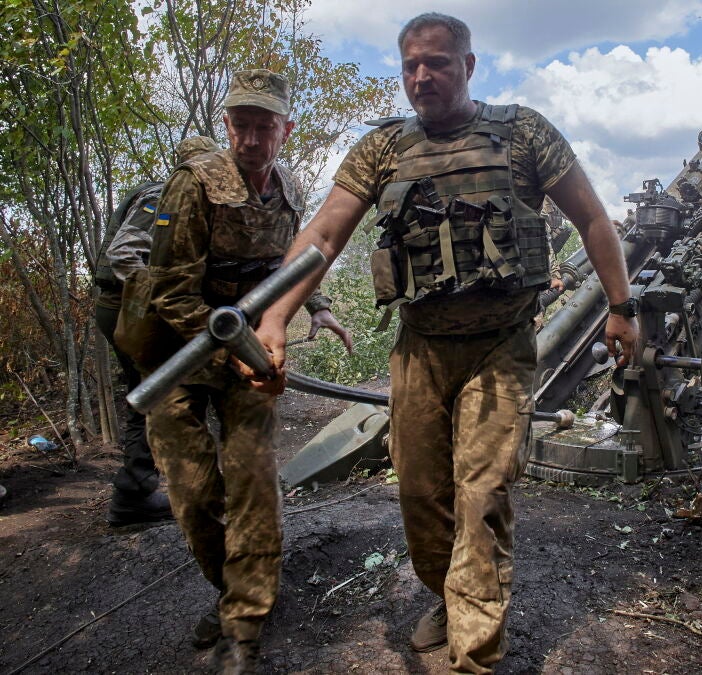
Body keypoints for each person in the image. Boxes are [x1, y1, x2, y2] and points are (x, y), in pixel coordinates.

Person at [252, 13, 639, 673]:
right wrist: (274, 316)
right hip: (421, 348)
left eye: (436, 62)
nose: (422, 77)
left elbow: (593, 217)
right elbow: (324, 234)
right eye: (410, 65)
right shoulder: (382, 149)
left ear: (469, 66)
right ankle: (449, 593)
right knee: (421, 495)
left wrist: (622, 307)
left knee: (481, 495)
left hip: (500, 346)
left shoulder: (524, 132)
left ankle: (473, 653)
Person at [144, 70, 350, 673]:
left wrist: (318, 306)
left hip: (251, 352)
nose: (251, 140)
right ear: (226, 124)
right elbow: (171, 292)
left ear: (287, 130)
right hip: (178, 353)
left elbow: (286, 264)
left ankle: (245, 617)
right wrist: (225, 346)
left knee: (253, 482)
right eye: (241, 126)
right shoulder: (194, 184)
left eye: (265, 127)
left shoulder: (288, 189)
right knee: (193, 494)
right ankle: (230, 586)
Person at [94, 135, 219, 526]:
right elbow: (123, 253)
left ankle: (138, 489)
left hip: (128, 307)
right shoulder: (162, 195)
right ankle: (135, 494)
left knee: (151, 392)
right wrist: (163, 298)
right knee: (158, 393)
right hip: (129, 309)